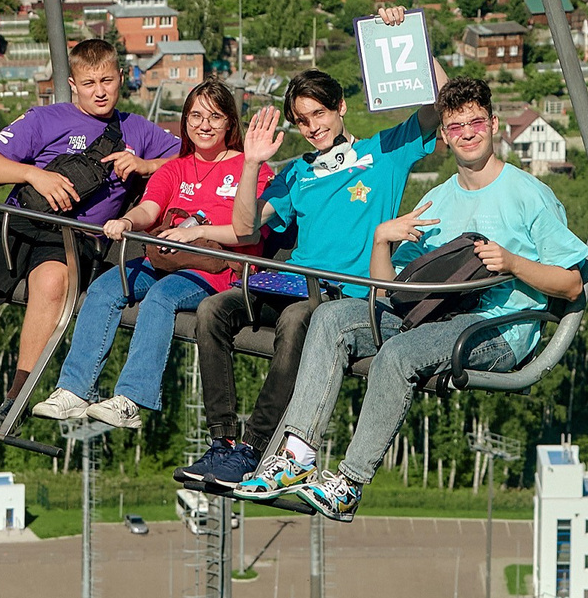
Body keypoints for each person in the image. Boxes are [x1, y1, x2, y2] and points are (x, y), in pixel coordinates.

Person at [233, 76, 588, 519]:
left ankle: (349, 482)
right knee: (331, 318)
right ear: (444, 135)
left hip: (495, 326)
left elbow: (572, 284)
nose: (468, 133)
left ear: (494, 124)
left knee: (398, 354)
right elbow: (390, 293)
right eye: (456, 127)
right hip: (432, 314)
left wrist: (514, 264)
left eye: (476, 122)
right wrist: (382, 241)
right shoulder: (438, 200)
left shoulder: (529, 196)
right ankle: (295, 457)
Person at [171, 59, 446, 493]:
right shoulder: (297, 173)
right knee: (211, 311)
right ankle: (222, 440)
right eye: (302, 120)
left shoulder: (385, 152)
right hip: (289, 281)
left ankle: (254, 446)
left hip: (341, 295)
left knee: (298, 319)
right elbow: (245, 228)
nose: (313, 128)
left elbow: (441, 105)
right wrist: (250, 166)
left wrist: (415, 44)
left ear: (340, 108)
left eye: (319, 114)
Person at [0, 38, 180, 455]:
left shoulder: (137, 131)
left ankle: (13, 401)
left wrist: (146, 165)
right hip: (15, 223)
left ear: (121, 79)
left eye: (107, 80)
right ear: (72, 84)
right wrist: (34, 175)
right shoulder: (45, 119)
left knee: (51, 283)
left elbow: (194, 162)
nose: (99, 91)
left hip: (73, 237)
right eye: (88, 83)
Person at [32, 80, 270, 431]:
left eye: (215, 117)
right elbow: (150, 209)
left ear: (230, 123)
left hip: (216, 268)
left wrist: (195, 233)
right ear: (186, 121)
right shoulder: (175, 168)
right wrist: (127, 221)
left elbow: (248, 229)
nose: (204, 125)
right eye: (195, 116)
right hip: (166, 257)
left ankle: (131, 399)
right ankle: (74, 389)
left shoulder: (251, 169)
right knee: (104, 289)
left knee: (161, 298)